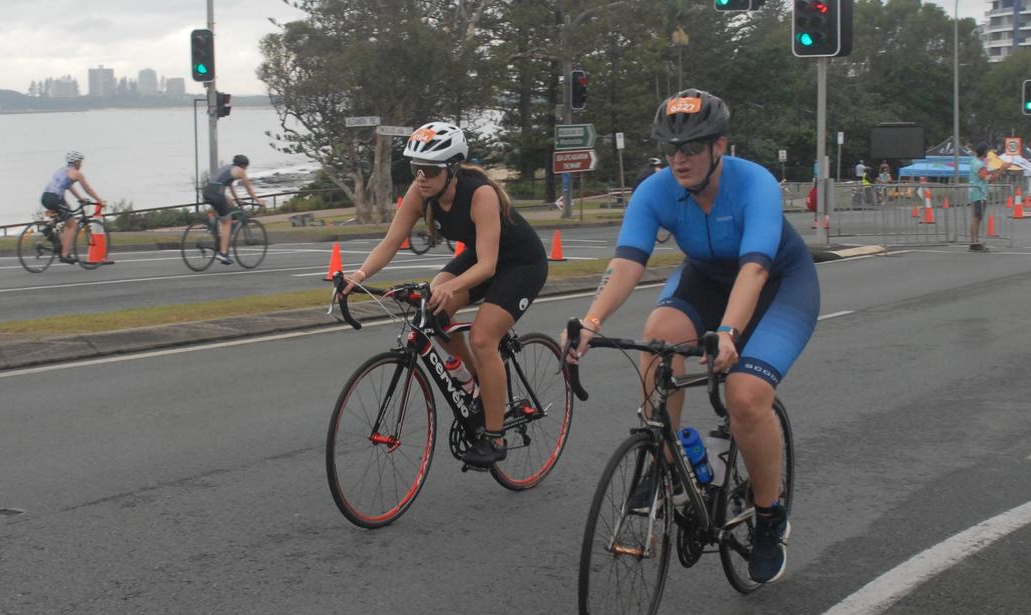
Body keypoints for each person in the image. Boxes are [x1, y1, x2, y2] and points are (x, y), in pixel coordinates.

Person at [566, 89, 820, 583]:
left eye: (691, 148)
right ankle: (662, 462)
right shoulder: (655, 190)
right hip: (705, 278)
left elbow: (753, 270)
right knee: (658, 336)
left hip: (777, 285)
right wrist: (590, 323)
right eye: (670, 149)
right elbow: (625, 266)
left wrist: (727, 332)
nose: (679, 160)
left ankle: (769, 517)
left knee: (745, 396)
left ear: (719, 146)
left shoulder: (755, 185)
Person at [341, 122, 549, 467]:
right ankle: (473, 381)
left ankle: (494, 437)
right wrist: (359, 276)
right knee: (432, 308)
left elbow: (487, 265)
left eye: (430, 170)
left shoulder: (480, 194)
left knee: (483, 337)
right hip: (482, 258)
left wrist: (450, 286)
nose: (421, 177)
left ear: (452, 169)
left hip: (520, 264)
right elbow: (391, 241)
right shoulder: (420, 193)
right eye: (415, 169)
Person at [40, 151, 106, 264]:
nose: (81, 165)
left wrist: (80, 198)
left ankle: (49, 227)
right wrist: (99, 200)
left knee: (68, 210)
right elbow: (88, 189)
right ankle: (64, 255)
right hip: (55, 198)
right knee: (72, 225)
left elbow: (68, 186)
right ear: (76, 162)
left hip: (45, 197)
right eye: (80, 162)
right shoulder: (77, 173)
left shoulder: (62, 170)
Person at [202, 155, 265, 265]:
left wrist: (236, 198)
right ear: (244, 165)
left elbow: (229, 185)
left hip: (207, 191)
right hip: (217, 194)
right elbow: (248, 188)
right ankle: (223, 254)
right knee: (227, 222)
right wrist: (258, 200)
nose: (245, 170)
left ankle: (213, 224)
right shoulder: (240, 171)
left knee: (225, 206)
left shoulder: (228, 167)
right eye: (246, 167)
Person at [967, 142, 1006, 252]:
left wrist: (995, 170)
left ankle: (975, 241)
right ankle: (974, 242)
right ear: (984, 152)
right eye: (987, 151)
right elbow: (989, 178)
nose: (988, 154)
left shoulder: (974, 162)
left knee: (977, 218)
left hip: (976, 192)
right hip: (978, 194)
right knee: (977, 218)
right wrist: (1002, 169)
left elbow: (985, 174)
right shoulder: (979, 165)